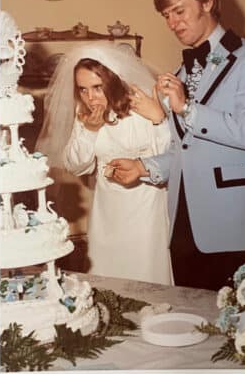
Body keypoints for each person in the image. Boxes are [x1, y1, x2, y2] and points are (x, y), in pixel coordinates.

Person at [109, 0, 245, 291]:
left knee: (238, 328)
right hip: (182, 225)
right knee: (193, 326)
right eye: (166, 15)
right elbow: (182, 149)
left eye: (179, 11)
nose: (173, 23)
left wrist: (187, 108)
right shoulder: (178, 73)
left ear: (207, 3)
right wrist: (144, 167)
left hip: (232, 223)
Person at [36, 44, 173, 285]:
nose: (90, 98)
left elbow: (170, 155)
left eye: (97, 88)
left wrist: (158, 119)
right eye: (83, 90)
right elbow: (75, 165)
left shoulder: (141, 103)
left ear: (112, 80)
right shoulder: (85, 113)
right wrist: (89, 130)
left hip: (145, 206)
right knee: (108, 274)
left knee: (146, 272)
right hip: (107, 209)